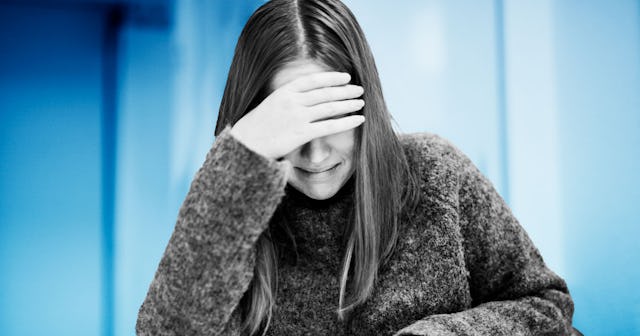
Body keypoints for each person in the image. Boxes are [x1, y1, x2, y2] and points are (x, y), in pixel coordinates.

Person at [136, 0, 579, 335]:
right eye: (289, 129)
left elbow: (546, 303)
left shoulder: (434, 171)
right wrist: (240, 155)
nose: (314, 155)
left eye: (330, 119)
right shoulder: (234, 207)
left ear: (365, 108)